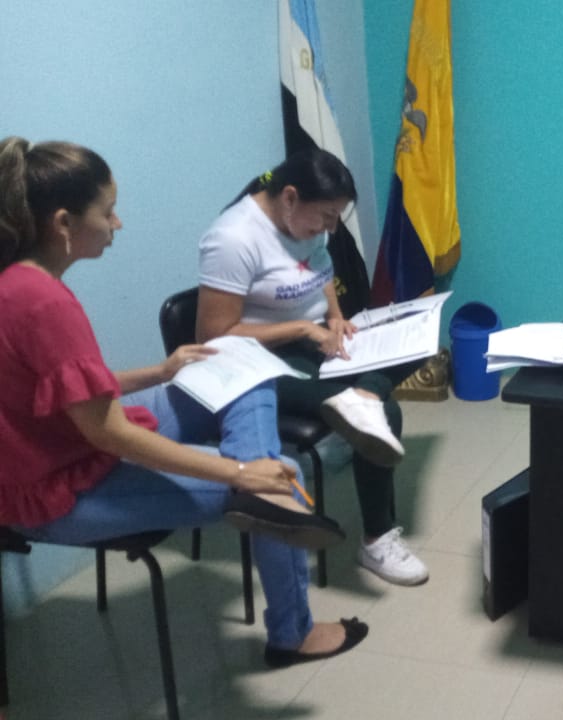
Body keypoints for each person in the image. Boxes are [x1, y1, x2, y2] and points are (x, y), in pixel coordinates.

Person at [0, 136, 367, 667]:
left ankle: (260, 480)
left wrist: (161, 371)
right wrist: (238, 472)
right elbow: (111, 434)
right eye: (107, 211)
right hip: (60, 489)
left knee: (245, 373)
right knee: (277, 482)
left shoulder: (22, 282)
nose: (117, 223)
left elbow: (70, 389)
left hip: (76, 441)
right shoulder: (43, 303)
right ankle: (293, 633)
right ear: (63, 224)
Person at [195, 148, 429, 586]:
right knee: (387, 415)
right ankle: (377, 542)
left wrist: (336, 318)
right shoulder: (233, 238)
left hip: (310, 342)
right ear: (289, 197)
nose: (330, 228)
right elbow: (213, 336)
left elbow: (322, 274)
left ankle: (364, 394)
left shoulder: (306, 222)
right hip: (254, 363)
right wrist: (303, 327)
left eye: (336, 217)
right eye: (326, 216)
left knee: (422, 341)